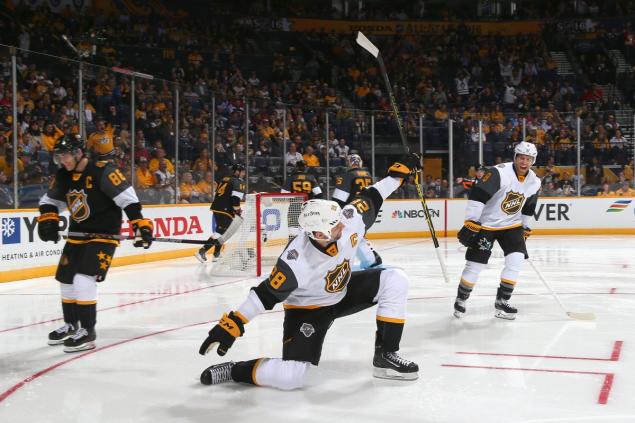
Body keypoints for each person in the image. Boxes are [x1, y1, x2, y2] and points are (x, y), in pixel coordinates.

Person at [198, 153, 422, 389]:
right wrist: (233, 324)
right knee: (292, 377)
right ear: (319, 234)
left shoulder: (347, 218)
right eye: (336, 225)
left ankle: (386, 355)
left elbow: (373, 194)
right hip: (308, 309)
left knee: (395, 279)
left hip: (342, 292)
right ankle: (235, 370)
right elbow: (265, 295)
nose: (343, 225)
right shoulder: (295, 260)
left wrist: (399, 175)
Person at [37, 135, 153, 352]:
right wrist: (49, 218)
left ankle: (88, 331)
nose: (63, 161)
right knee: (66, 279)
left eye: (66, 156)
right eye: (59, 156)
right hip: (77, 234)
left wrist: (140, 225)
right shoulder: (63, 175)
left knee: (83, 278)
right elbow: (50, 201)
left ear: (78, 152)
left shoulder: (102, 170)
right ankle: (72, 325)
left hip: (103, 235)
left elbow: (128, 199)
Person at [454, 141, 541, 320]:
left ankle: (502, 302)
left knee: (516, 261)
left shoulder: (534, 181)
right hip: (487, 225)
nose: (524, 162)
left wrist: (524, 226)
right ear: (515, 157)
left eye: (529, 159)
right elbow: (478, 195)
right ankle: (461, 299)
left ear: (533, 161)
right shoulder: (498, 172)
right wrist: (472, 221)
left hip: (512, 225)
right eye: (521, 158)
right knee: (475, 265)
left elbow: (529, 206)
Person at [332, 154, 380, 269]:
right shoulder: (368, 175)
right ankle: (371, 259)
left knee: (346, 237)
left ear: (349, 163)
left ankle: (341, 265)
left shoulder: (348, 175)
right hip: (366, 208)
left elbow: (338, 200)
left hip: (351, 211)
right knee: (357, 235)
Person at [195, 163, 246, 263]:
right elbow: (235, 199)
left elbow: (218, 193)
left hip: (217, 207)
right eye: (242, 172)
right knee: (219, 233)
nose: (243, 174)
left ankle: (216, 254)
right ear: (237, 171)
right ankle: (202, 251)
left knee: (221, 231)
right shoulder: (238, 182)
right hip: (225, 209)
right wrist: (238, 209)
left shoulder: (224, 179)